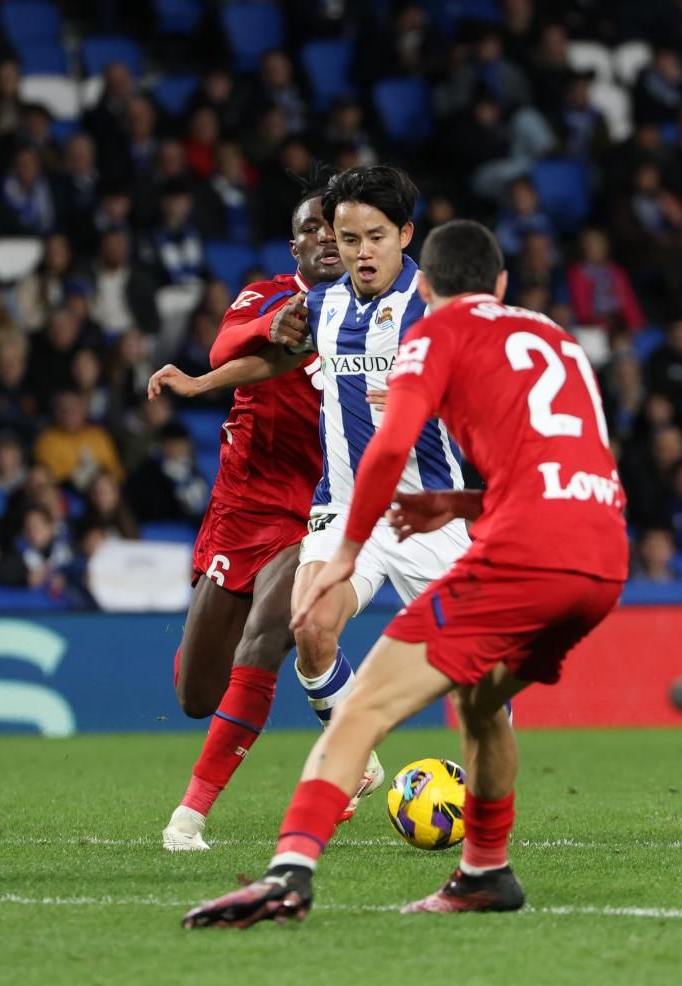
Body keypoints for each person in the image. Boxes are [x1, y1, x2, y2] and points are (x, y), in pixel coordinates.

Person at [181, 220, 627, 928]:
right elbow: (573, 463)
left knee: (363, 710)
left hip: (519, 557)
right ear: (502, 286)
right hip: (602, 556)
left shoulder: (434, 335)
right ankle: (486, 874)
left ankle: (288, 875)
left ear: (424, 284)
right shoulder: (554, 338)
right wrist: (458, 501)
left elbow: (387, 452)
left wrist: (350, 550)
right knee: (481, 706)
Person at [150, 166, 469, 847]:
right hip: (290, 507)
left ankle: (195, 813)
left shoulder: (425, 304)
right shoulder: (301, 306)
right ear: (295, 245)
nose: (341, 245)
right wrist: (204, 378)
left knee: (476, 679)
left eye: (355, 234)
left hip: (376, 507)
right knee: (236, 668)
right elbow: (257, 355)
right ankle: (353, 743)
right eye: (323, 233)